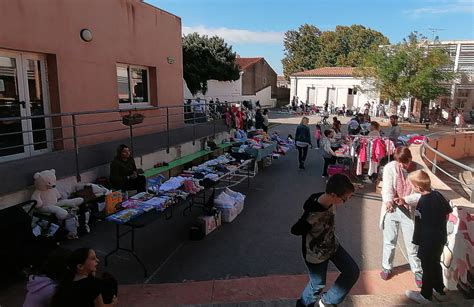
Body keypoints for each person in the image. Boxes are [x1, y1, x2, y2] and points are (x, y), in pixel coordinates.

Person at [292, 174, 359, 307]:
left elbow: (313, 198)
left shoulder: (325, 196)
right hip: (315, 253)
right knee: (317, 284)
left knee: (352, 271)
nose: (345, 202)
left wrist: (352, 188)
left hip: (332, 245)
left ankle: (328, 301)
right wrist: (309, 221)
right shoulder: (314, 213)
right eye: (344, 199)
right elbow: (295, 230)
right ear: (334, 195)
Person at [404, 170, 452, 304]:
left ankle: (425, 295)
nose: (412, 188)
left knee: (427, 267)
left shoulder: (424, 202)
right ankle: (439, 289)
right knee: (435, 264)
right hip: (439, 239)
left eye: (412, 186)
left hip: (428, 241)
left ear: (418, 187)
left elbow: (422, 223)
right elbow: (448, 211)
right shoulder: (437, 195)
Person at [380, 147, 423, 287]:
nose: (403, 166)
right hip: (392, 209)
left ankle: (417, 269)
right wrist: (388, 200)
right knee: (389, 241)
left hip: (409, 210)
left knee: (412, 243)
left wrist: (406, 199)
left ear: (411, 159)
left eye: (406, 162)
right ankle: (387, 266)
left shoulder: (418, 170)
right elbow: (386, 188)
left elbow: (422, 193)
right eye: (400, 163)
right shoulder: (390, 168)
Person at [51, 248, 117, 307]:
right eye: (93, 258)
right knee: (110, 282)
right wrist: (113, 304)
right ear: (80, 266)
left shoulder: (66, 283)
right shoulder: (93, 284)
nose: (98, 260)